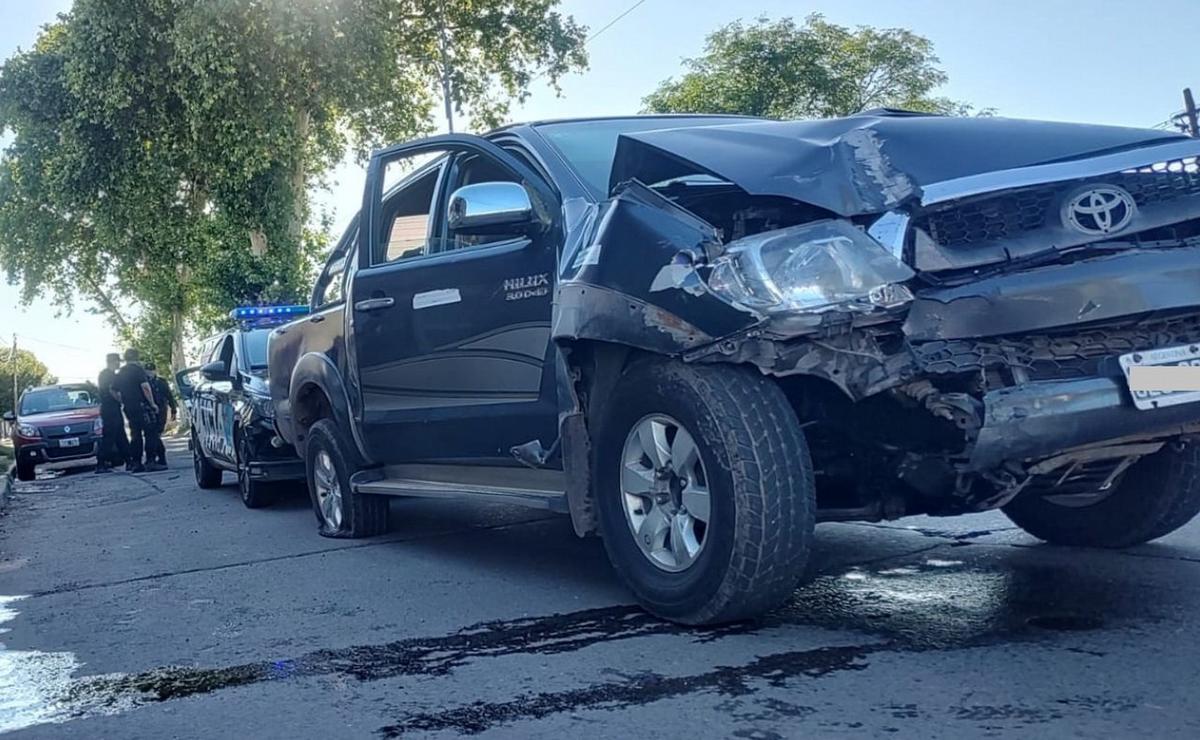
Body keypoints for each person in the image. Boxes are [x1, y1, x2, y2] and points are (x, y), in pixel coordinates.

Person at [114, 348, 164, 473]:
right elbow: (145, 387)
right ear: (137, 358)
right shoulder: (138, 370)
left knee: (135, 434)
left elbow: (113, 390)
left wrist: (123, 401)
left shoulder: (121, 372)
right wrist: (152, 404)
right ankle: (150, 461)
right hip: (143, 407)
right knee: (150, 433)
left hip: (129, 408)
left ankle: (136, 463)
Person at [95, 353, 130, 473]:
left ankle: (129, 461)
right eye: (117, 362)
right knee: (109, 437)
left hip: (112, 408)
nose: (119, 364)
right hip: (110, 408)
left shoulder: (106, 374)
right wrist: (122, 400)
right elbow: (112, 390)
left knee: (121, 436)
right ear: (113, 362)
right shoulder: (108, 375)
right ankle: (101, 463)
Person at [144, 362, 177, 467]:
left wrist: (173, 409)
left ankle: (159, 457)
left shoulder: (161, 382)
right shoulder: (144, 382)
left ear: (155, 371)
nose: (150, 373)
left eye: (151, 370)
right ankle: (157, 458)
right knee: (153, 435)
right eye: (148, 370)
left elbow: (169, 395)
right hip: (150, 410)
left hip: (161, 410)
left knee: (155, 435)